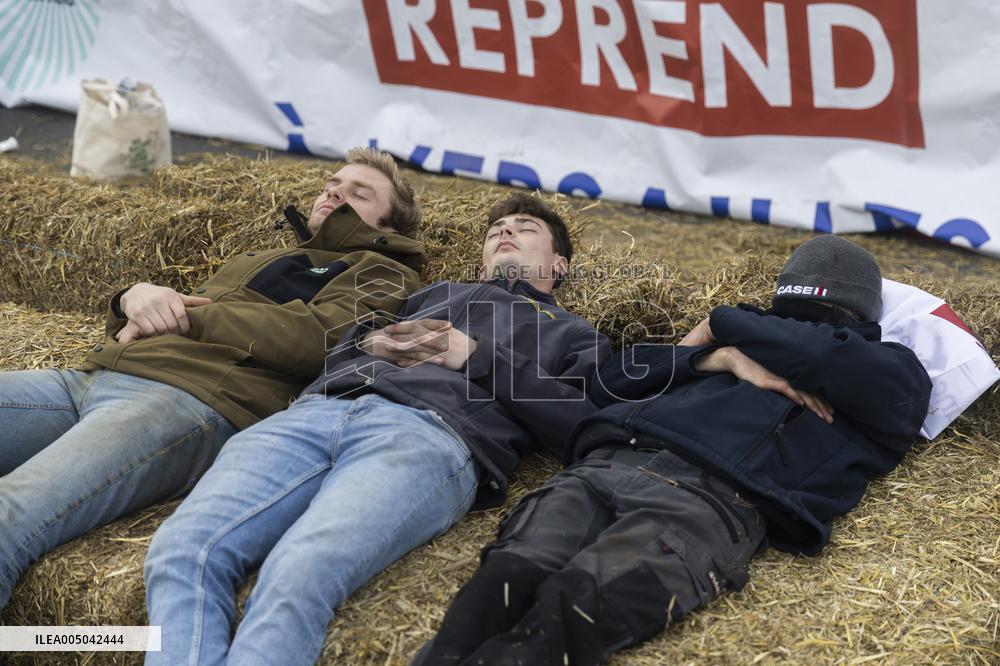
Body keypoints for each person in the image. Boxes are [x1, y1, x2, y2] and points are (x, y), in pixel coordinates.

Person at [416, 236, 933, 666]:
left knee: (576, 602)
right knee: (510, 572)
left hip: (710, 501)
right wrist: (710, 355)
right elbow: (609, 384)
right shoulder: (729, 342)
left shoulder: (892, 370)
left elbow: (818, 352)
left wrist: (724, 322)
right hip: (609, 463)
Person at [143, 191, 612, 666]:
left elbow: (581, 423)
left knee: (299, 571)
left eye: (525, 228)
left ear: (561, 264)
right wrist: (369, 341)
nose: (505, 231)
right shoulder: (431, 294)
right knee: (181, 551)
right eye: (496, 230)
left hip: (425, 436)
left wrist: (475, 355)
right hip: (315, 413)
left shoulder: (573, 333)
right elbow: (337, 343)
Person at [0, 147, 427, 609]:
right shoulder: (267, 254)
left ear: (390, 226)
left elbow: (320, 340)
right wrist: (130, 298)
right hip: (97, 376)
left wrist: (184, 312)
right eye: (331, 185)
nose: (334, 193)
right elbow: (154, 320)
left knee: (10, 516)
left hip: (184, 402)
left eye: (357, 193)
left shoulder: (385, 272)